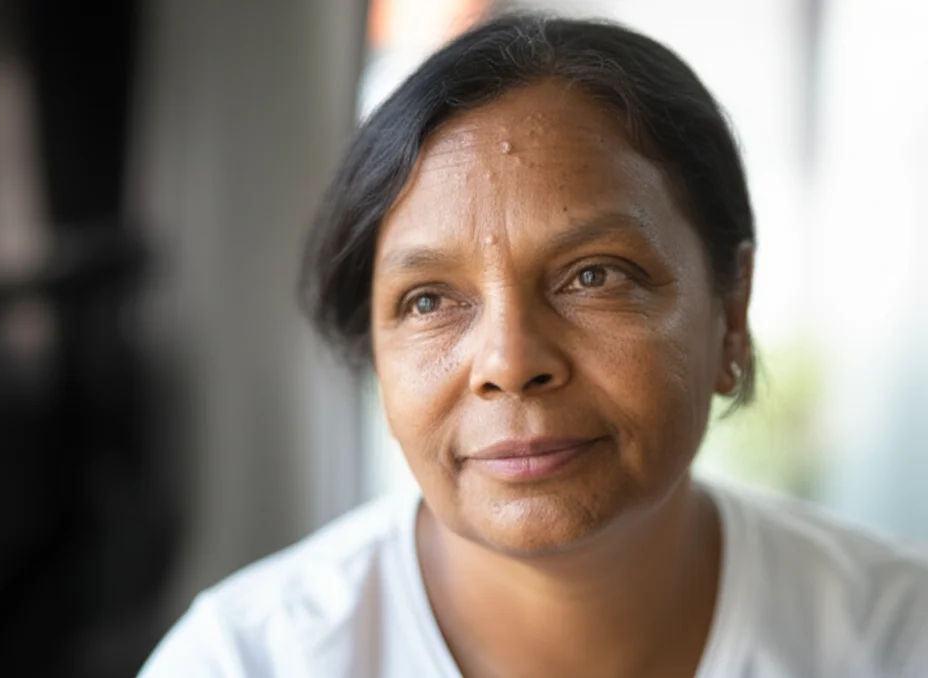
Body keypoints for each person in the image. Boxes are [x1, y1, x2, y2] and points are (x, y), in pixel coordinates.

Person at [138, 14, 928, 678]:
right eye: (428, 300)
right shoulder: (244, 660)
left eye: (594, 276)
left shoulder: (898, 637)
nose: (510, 363)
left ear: (731, 308)